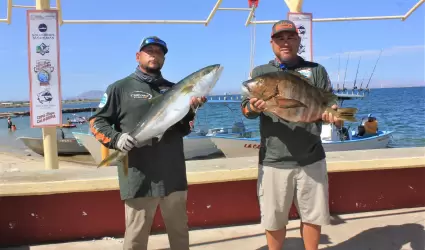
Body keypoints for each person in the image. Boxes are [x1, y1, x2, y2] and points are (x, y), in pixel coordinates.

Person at [88, 36, 206, 250]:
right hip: (138, 177)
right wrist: (116, 139)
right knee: (135, 238)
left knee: (180, 235)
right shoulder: (119, 88)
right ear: (138, 56)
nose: (154, 54)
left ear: (164, 59)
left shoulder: (174, 89)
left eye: (159, 52)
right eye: (149, 50)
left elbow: (183, 130)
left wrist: (191, 110)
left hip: (173, 175)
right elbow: (97, 121)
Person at [240, 20, 342, 250]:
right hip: (274, 160)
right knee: (274, 218)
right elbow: (246, 110)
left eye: (290, 38)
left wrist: (333, 112)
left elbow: (329, 100)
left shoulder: (317, 71)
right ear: (272, 43)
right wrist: (255, 108)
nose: (285, 43)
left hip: (312, 157)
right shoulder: (260, 73)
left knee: (313, 216)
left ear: (298, 40)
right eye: (280, 38)